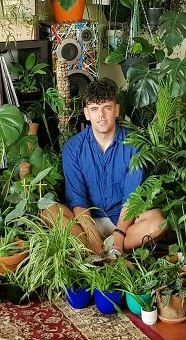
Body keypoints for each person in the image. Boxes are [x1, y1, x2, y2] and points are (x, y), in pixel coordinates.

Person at [43, 79, 166, 255]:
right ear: (87, 113)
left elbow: (132, 197)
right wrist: (93, 236)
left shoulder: (134, 144)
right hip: (87, 225)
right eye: (94, 109)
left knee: (159, 221)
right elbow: (77, 199)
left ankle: (112, 247)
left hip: (126, 222)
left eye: (106, 108)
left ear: (116, 110)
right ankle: (96, 248)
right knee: (49, 211)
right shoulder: (74, 147)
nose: (101, 115)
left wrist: (119, 233)